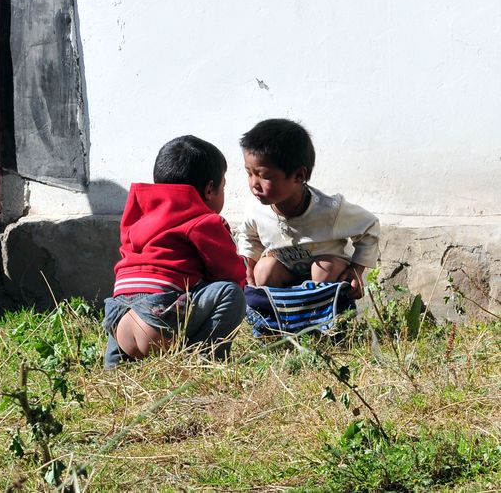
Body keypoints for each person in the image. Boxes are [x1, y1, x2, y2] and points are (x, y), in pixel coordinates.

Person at [103, 136, 247, 368]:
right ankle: (203, 361)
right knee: (230, 293)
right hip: (158, 319)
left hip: (117, 320)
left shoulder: (138, 217)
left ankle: (114, 365)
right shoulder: (203, 220)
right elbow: (230, 273)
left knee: (134, 293)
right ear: (210, 189)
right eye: (223, 186)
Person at [237, 119, 379, 301]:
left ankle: (325, 322)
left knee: (323, 268)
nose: (254, 184)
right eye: (249, 173)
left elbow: (369, 226)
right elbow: (249, 237)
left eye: (264, 176)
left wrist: (357, 270)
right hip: (285, 274)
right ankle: (278, 321)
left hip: (325, 280)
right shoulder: (256, 208)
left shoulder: (329, 210)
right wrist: (249, 264)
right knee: (264, 270)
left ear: (299, 175)